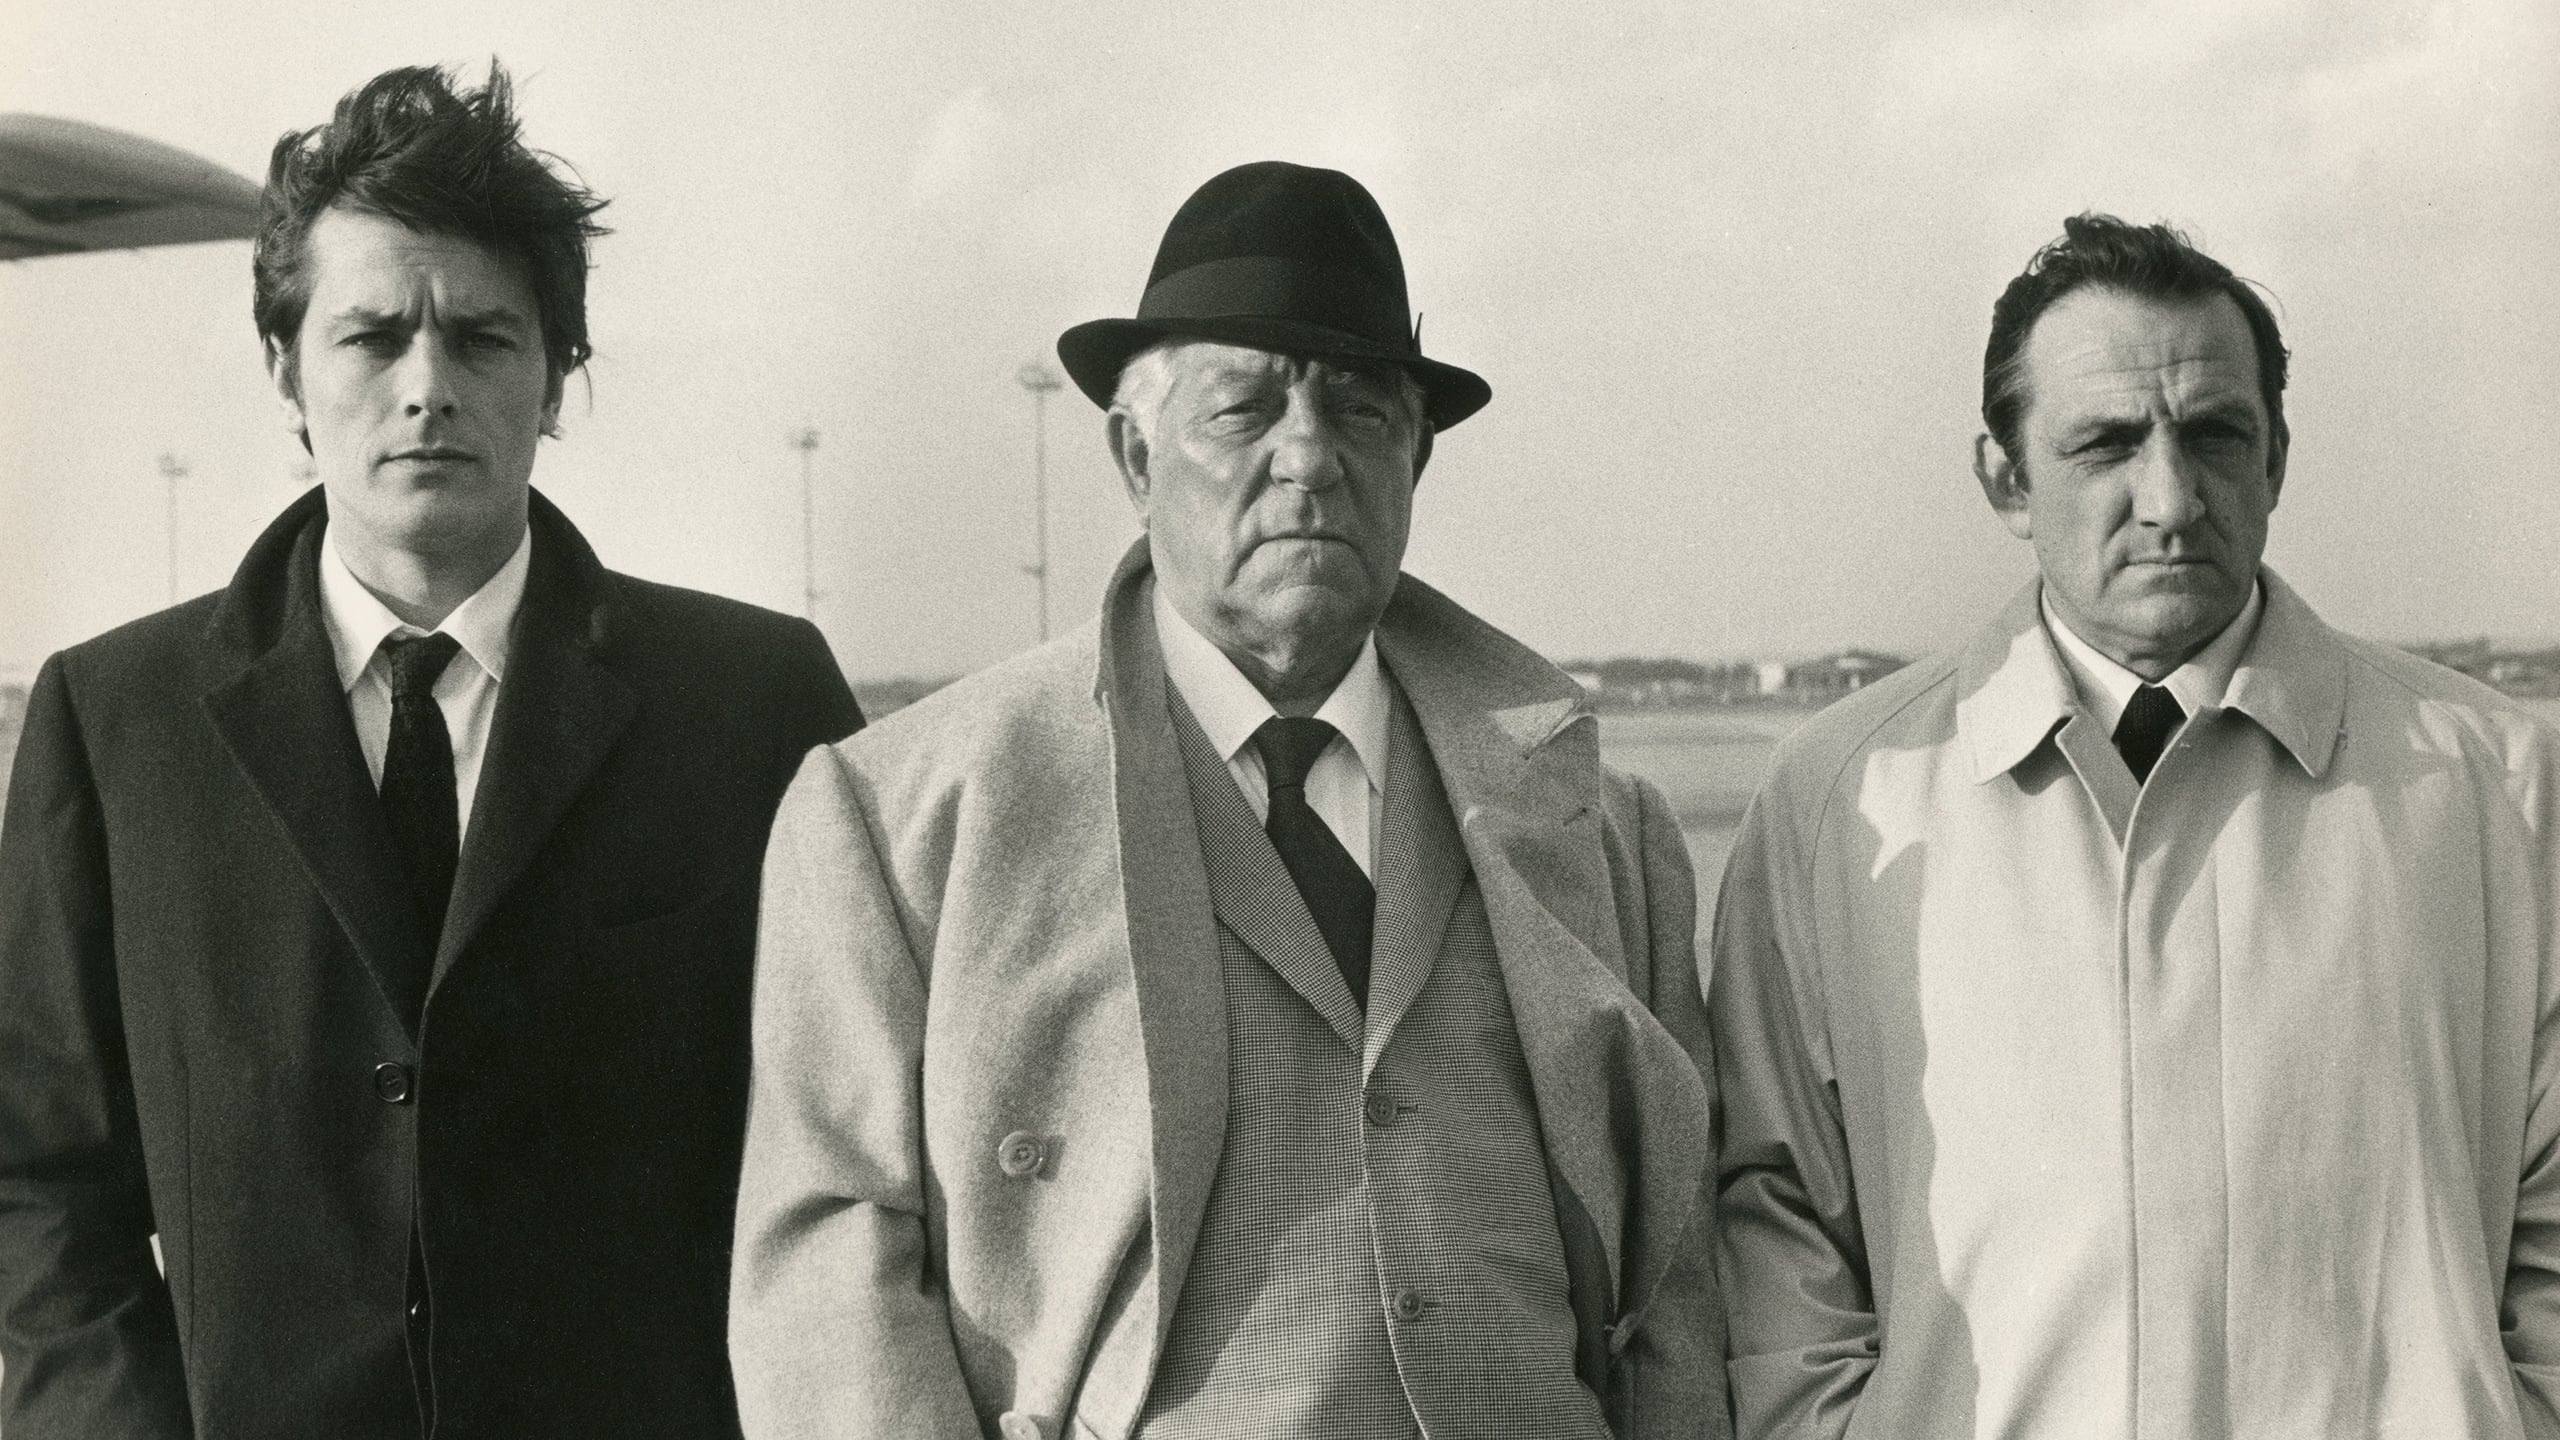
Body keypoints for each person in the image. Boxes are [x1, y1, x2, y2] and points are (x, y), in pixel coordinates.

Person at [728, 160, 1722, 1439]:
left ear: (1416, 458)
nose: (1308, 457)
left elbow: (1675, 1284)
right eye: (1244, 409)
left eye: (1362, 411)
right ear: (1136, 456)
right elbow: (833, 1283)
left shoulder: (1600, 829)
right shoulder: (906, 819)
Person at [0, 63, 860, 1438]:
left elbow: (858, 1152)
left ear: (557, 379)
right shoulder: (113, 725)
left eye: (483, 338)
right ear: (285, 373)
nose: (427, 388)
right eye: (371, 337)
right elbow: (40, 1182)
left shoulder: (754, 706)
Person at [1711, 211, 2560, 1437]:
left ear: (2275, 459)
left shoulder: (2499, 784)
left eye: (2214, 435)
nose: (2170, 499)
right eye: (2106, 443)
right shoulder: (1837, 802)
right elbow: (1774, 1216)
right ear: (2005, 479)